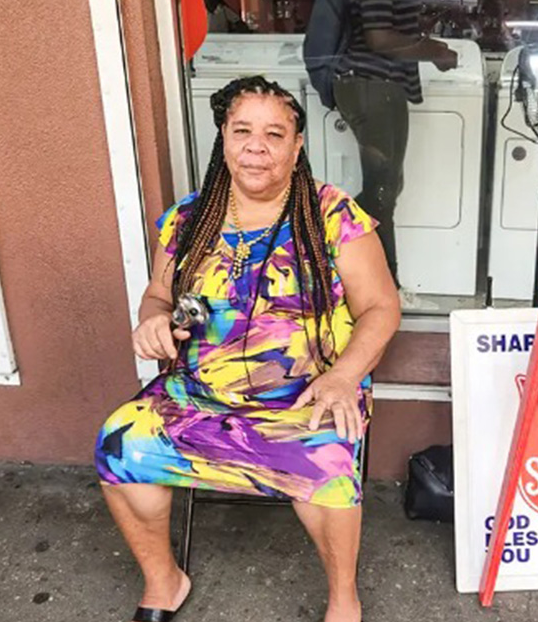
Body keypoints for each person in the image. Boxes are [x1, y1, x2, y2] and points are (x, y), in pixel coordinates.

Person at [95, 76, 401, 622]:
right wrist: (152, 321)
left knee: (327, 465)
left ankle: (343, 601)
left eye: (274, 133)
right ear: (223, 137)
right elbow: (158, 294)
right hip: (197, 396)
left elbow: (382, 309)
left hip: (309, 394)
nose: (256, 146)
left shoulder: (332, 217)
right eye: (242, 131)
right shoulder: (190, 219)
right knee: (120, 443)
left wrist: (341, 378)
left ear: (296, 145)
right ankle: (165, 583)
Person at [332, 0, 457, 308]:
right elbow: (379, 39)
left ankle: (346, 260)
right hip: (374, 87)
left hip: (371, 86)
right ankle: (385, 288)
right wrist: (434, 50)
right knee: (382, 192)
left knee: (383, 190)